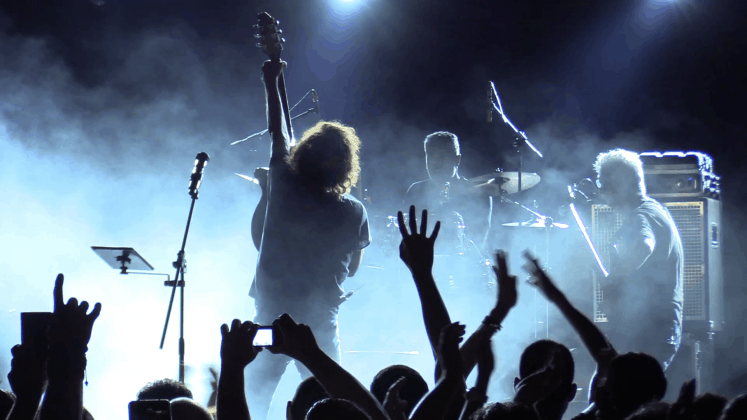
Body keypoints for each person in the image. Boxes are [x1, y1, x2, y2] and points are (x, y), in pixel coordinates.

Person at [245, 59, 371, 420]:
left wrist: (271, 80)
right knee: (335, 401)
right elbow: (353, 268)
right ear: (345, 165)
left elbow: (278, 133)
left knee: (252, 397)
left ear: (304, 154)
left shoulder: (283, 184)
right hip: (318, 325)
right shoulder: (354, 211)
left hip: (269, 318)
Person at [593, 148, 684, 369]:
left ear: (619, 184)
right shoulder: (655, 210)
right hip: (653, 326)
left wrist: (615, 280)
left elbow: (644, 246)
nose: (602, 193)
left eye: (604, 185)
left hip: (650, 329)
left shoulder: (642, 216)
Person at [404, 131, 493, 256]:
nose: (435, 163)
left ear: (457, 159)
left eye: (442, 157)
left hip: (464, 263)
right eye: (431, 156)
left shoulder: (478, 191)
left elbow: (478, 241)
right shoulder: (416, 190)